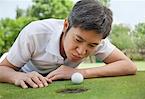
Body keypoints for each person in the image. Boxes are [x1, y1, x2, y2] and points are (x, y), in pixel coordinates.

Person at [0, 0, 137, 89]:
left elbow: (129, 66)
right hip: (22, 71)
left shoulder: (96, 39)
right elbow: (3, 69)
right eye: (78, 40)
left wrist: (81, 72)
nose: (81, 51)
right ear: (66, 25)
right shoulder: (35, 33)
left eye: (91, 46)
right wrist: (17, 76)